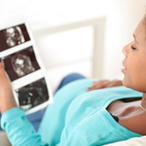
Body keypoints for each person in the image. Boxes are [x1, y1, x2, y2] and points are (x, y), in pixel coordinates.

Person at [0, 14, 146, 146]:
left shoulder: (90, 135)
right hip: (70, 108)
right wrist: (123, 84)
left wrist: (8, 105)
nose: (124, 49)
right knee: (72, 77)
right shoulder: (139, 96)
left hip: (42, 133)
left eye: (134, 46)